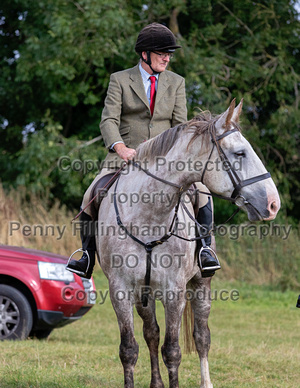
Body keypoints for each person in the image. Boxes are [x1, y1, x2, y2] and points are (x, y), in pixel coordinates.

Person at [66, 23, 220, 279]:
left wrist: (174, 157)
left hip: (164, 158)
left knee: (202, 193)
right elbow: (109, 121)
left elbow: (179, 125)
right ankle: (87, 255)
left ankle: (205, 249)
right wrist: (121, 148)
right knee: (90, 195)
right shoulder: (120, 80)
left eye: (169, 53)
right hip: (124, 156)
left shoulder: (176, 82)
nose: (167, 58)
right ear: (145, 54)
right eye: (162, 52)